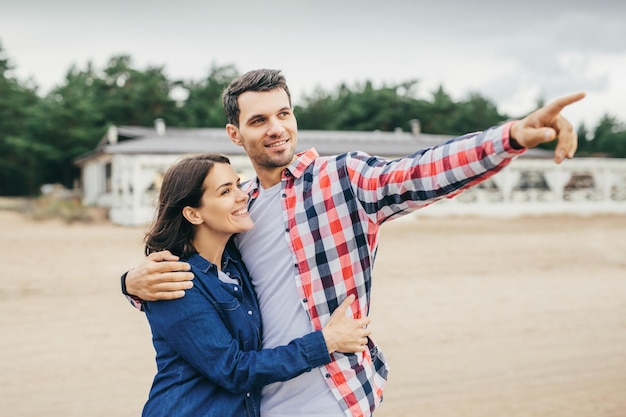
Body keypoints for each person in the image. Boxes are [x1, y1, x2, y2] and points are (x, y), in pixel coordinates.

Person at [122, 69, 585, 417]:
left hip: (333, 393)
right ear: (235, 133)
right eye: (259, 119)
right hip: (257, 401)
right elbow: (198, 276)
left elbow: (423, 172)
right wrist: (130, 282)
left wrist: (510, 137)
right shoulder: (238, 206)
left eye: (284, 113)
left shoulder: (343, 180)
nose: (276, 128)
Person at [138, 152, 371, 417]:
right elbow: (234, 370)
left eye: (238, 184)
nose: (242, 195)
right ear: (193, 213)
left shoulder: (233, 265)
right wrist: (326, 342)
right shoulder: (176, 281)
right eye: (226, 191)